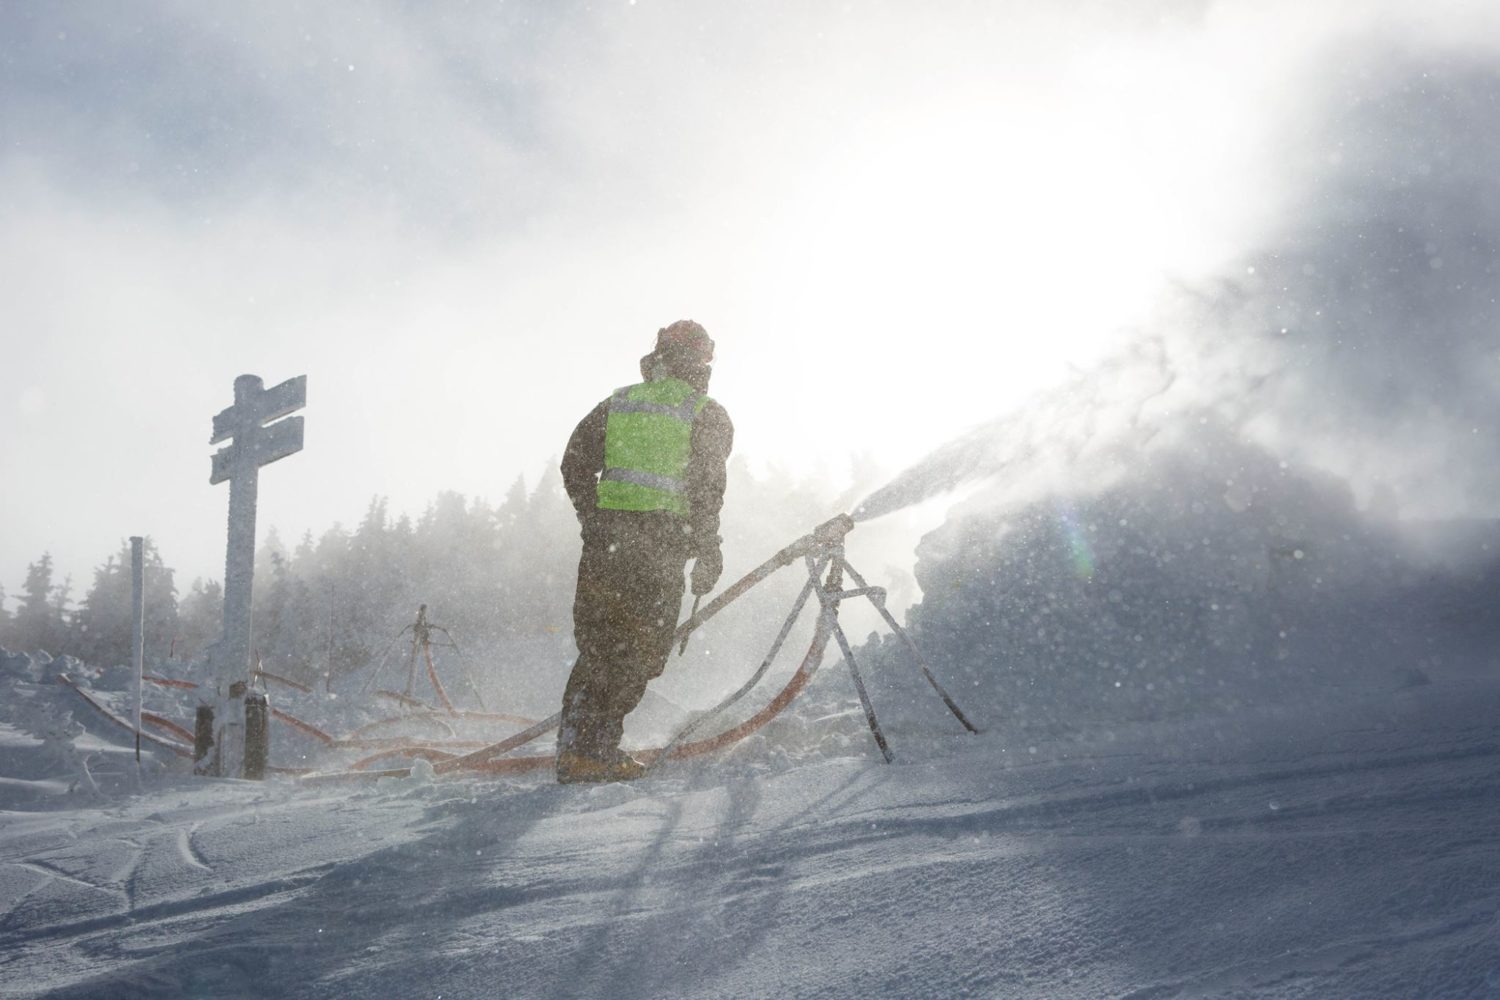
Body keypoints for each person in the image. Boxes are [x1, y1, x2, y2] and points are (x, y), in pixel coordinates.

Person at [555, 320, 734, 783]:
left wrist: (595, 523)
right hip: (657, 550)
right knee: (639, 651)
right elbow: (706, 492)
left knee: (598, 648)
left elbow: (574, 462)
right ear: (698, 362)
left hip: (606, 549)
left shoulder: (618, 404)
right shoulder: (706, 414)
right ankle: (592, 753)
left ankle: (579, 749)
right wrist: (707, 550)